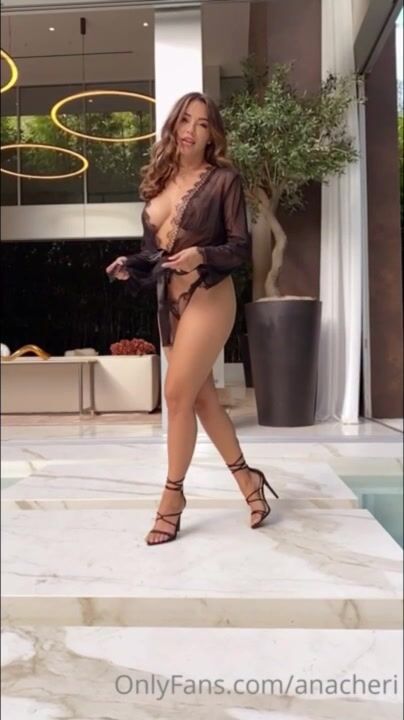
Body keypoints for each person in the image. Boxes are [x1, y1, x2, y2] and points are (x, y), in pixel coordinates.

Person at [106, 91, 278, 546]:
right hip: (169, 303)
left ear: (211, 135)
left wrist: (201, 253)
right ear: (174, 125)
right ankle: (249, 482)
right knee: (202, 401)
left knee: (176, 395)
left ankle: (172, 498)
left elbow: (239, 248)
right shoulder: (157, 182)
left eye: (203, 124)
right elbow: (155, 254)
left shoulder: (224, 180)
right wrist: (130, 264)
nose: (191, 130)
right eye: (186, 120)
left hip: (209, 295)